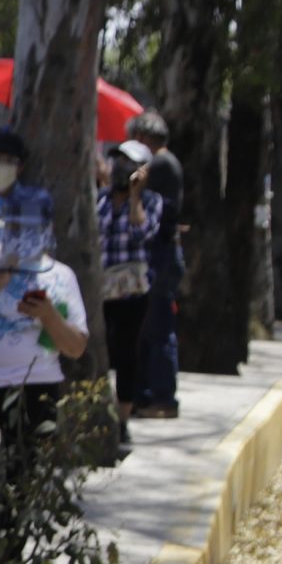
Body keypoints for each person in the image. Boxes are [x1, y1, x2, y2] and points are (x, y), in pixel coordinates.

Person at [0, 185, 89, 446]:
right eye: (16, 226)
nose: (24, 234)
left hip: (39, 388)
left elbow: (76, 347)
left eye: (31, 227)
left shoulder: (62, 276)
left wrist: (49, 316)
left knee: (29, 473)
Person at [97, 139, 161, 426]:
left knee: (126, 354)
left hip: (130, 293)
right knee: (100, 348)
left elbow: (141, 233)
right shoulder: (99, 198)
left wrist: (135, 196)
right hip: (100, 288)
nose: (121, 168)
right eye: (118, 161)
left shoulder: (151, 202)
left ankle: (122, 421)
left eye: (129, 163)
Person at [126, 110, 183, 419]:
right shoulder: (168, 163)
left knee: (158, 328)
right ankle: (149, 394)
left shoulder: (160, 164)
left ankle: (162, 396)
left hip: (161, 257)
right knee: (151, 329)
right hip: (164, 255)